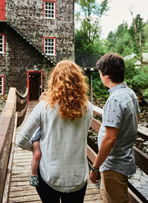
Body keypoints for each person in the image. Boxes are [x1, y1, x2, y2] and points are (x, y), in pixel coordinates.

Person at [16, 60, 93, 203]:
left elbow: (20, 140)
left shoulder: (44, 107)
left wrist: (36, 148)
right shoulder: (88, 107)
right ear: (79, 80)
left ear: (54, 80)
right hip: (78, 177)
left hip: (50, 176)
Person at [89, 53, 140, 203]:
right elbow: (137, 119)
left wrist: (95, 167)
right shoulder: (130, 93)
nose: (100, 76)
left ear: (106, 75)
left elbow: (110, 138)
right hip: (125, 158)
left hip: (113, 164)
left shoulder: (115, 100)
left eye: (99, 73)